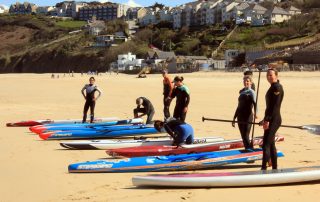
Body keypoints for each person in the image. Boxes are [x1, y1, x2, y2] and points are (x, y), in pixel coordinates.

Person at [259, 68, 284, 170]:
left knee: (266, 144)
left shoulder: (277, 87)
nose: (269, 77)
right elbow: (269, 107)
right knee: (271, 144)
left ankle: (263, 169)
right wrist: (264, 119)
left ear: (276, 76)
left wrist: (267, 120)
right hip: (271, 118)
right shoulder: (272, 87)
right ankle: (274, 168)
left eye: (271, 75)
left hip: (275, 119)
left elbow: (274, 106)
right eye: (267, 75)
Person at [232, 76, 257, 150]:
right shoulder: (242, 92)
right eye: (244, 81)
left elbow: (255, 103)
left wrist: (256, 113)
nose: (246, 82)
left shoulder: (252, 92)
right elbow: (239, 106)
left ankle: (250, 149)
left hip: (248, 116)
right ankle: (248, 149)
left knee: (246, 135)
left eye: (248, 81)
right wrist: (234, 118)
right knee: (243, 136)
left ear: (251, 82)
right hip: (240, 116)